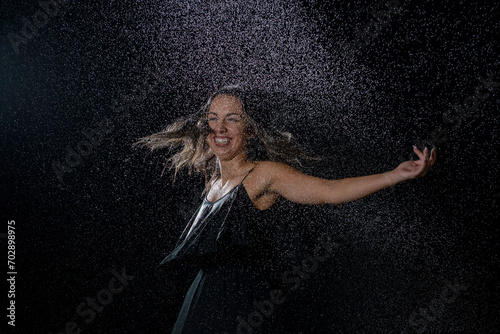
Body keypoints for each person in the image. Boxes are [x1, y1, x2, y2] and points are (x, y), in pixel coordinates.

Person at [133, 86, 436, 333]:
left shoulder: (263, 174)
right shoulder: (213, 179)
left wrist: (396, 174)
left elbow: (329, 192)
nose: (220, 128)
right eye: (213, 118)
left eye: (233, 119)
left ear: (250, 130)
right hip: (198, 304)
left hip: (240, 306)